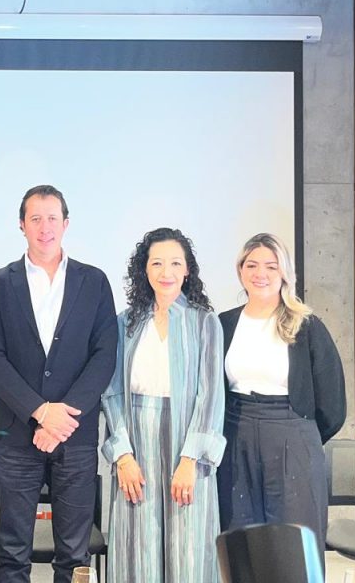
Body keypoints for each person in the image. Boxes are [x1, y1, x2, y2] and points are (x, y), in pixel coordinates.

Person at [0, 185, 118, 583]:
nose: (45, 227)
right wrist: (40, 412)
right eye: (35, 218)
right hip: (15, 437)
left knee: (74, 556)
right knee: (12, 553)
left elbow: (104, 356)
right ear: (21, 225)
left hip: (75, 437)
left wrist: (61, 420)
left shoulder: (94, 282)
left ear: (66, 224)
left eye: (52, 218)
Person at [102, 227, 225, 583]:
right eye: (156, 263)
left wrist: (191, 459)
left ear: (187, 270)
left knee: (188, 549)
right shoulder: (126, 323)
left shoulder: (204, 322)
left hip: (187, 445)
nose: (165, 272)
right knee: (137, 550)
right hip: (136, 445)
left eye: (175, 263)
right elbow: (111, 391)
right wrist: (122, 456)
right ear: (144, 269)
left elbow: (210, 394)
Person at [217, 232, 345, 567]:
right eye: (252, 265)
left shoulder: (306, 325)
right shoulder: (224, 324)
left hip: (292, 436)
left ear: (284, 273)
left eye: (271, 266)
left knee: (294, 543)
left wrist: (302, 439)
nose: (260, 273)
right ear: (240, 270)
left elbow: (332, 405)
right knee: (241, 537)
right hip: (236, 436)